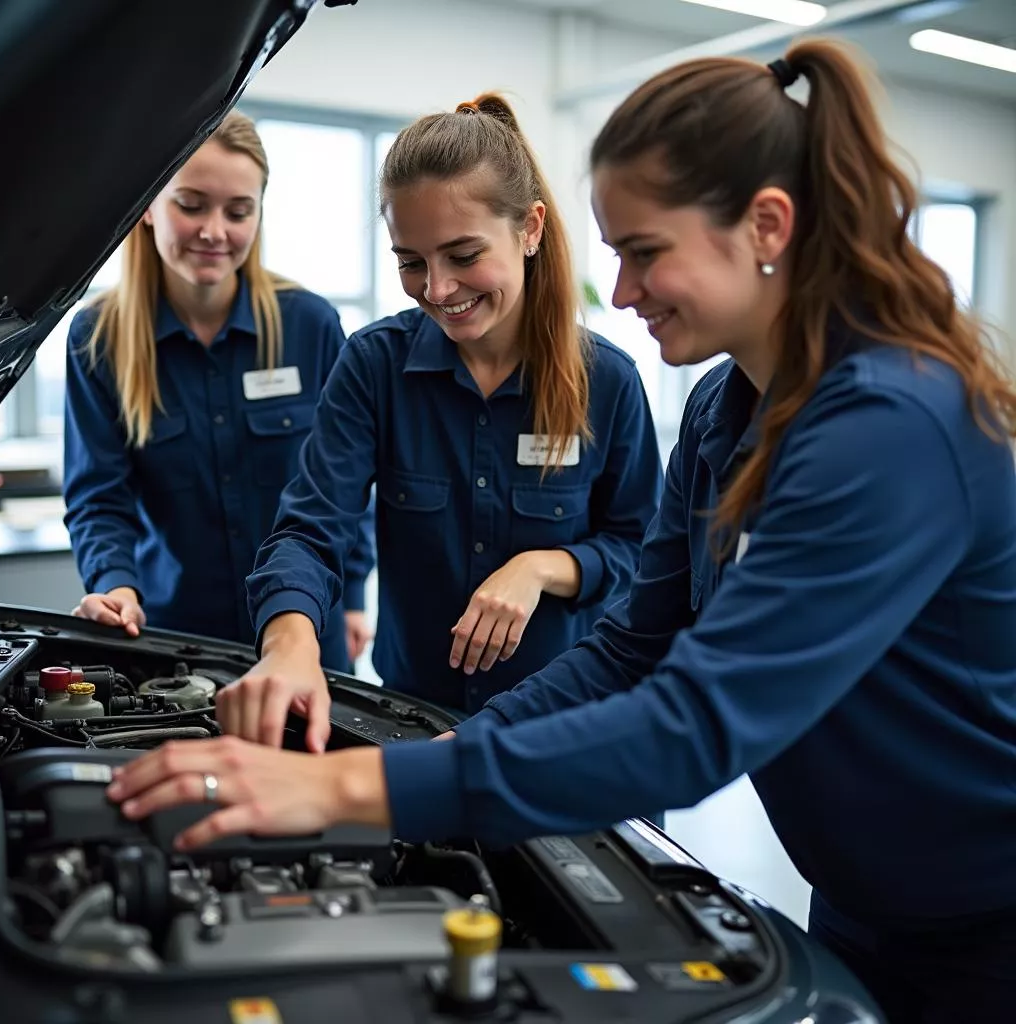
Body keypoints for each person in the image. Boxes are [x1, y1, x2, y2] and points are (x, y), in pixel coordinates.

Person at [105, 41, 1016, 1021]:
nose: (619, 293)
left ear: (766, 224)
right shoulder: (721, 410)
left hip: (985, 920)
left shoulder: (891, 426)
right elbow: (633, 646)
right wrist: (452, 748)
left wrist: (346, 791)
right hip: (858, 894)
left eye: (642, 252)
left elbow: (695, 724)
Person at [197, 93, 660, 736]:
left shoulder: (607, 380)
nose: (437, 290)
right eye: (410, 262)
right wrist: (290, 640)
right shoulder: (373, 366)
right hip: (417, 717)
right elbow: (311, 528)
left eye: (464, 256)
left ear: (529, 228)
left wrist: (542, 567)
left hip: (565, 726)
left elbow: (641, 550)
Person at [63, 111, 375, 672]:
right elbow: (98, 497)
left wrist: (352, 596)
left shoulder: (309, 323)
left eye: (238, 211)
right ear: (148, 207)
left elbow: (349, 481)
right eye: (191, 204)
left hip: (304, 631)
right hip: (172, 640)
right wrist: (115, 585)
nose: (215, 231)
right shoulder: (99, 337)